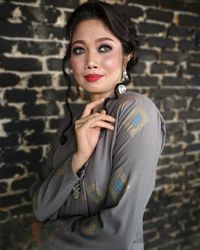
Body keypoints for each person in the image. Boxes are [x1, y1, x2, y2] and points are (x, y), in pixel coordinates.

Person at [29, 1, 166, 249]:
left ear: (127, 56)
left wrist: (46, 235)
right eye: (79, 50)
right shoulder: (69, 123)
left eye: (104, 47)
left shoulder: (136, 114)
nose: (90, 61)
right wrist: (78, 157)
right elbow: (40, 206)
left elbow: (116, 234)